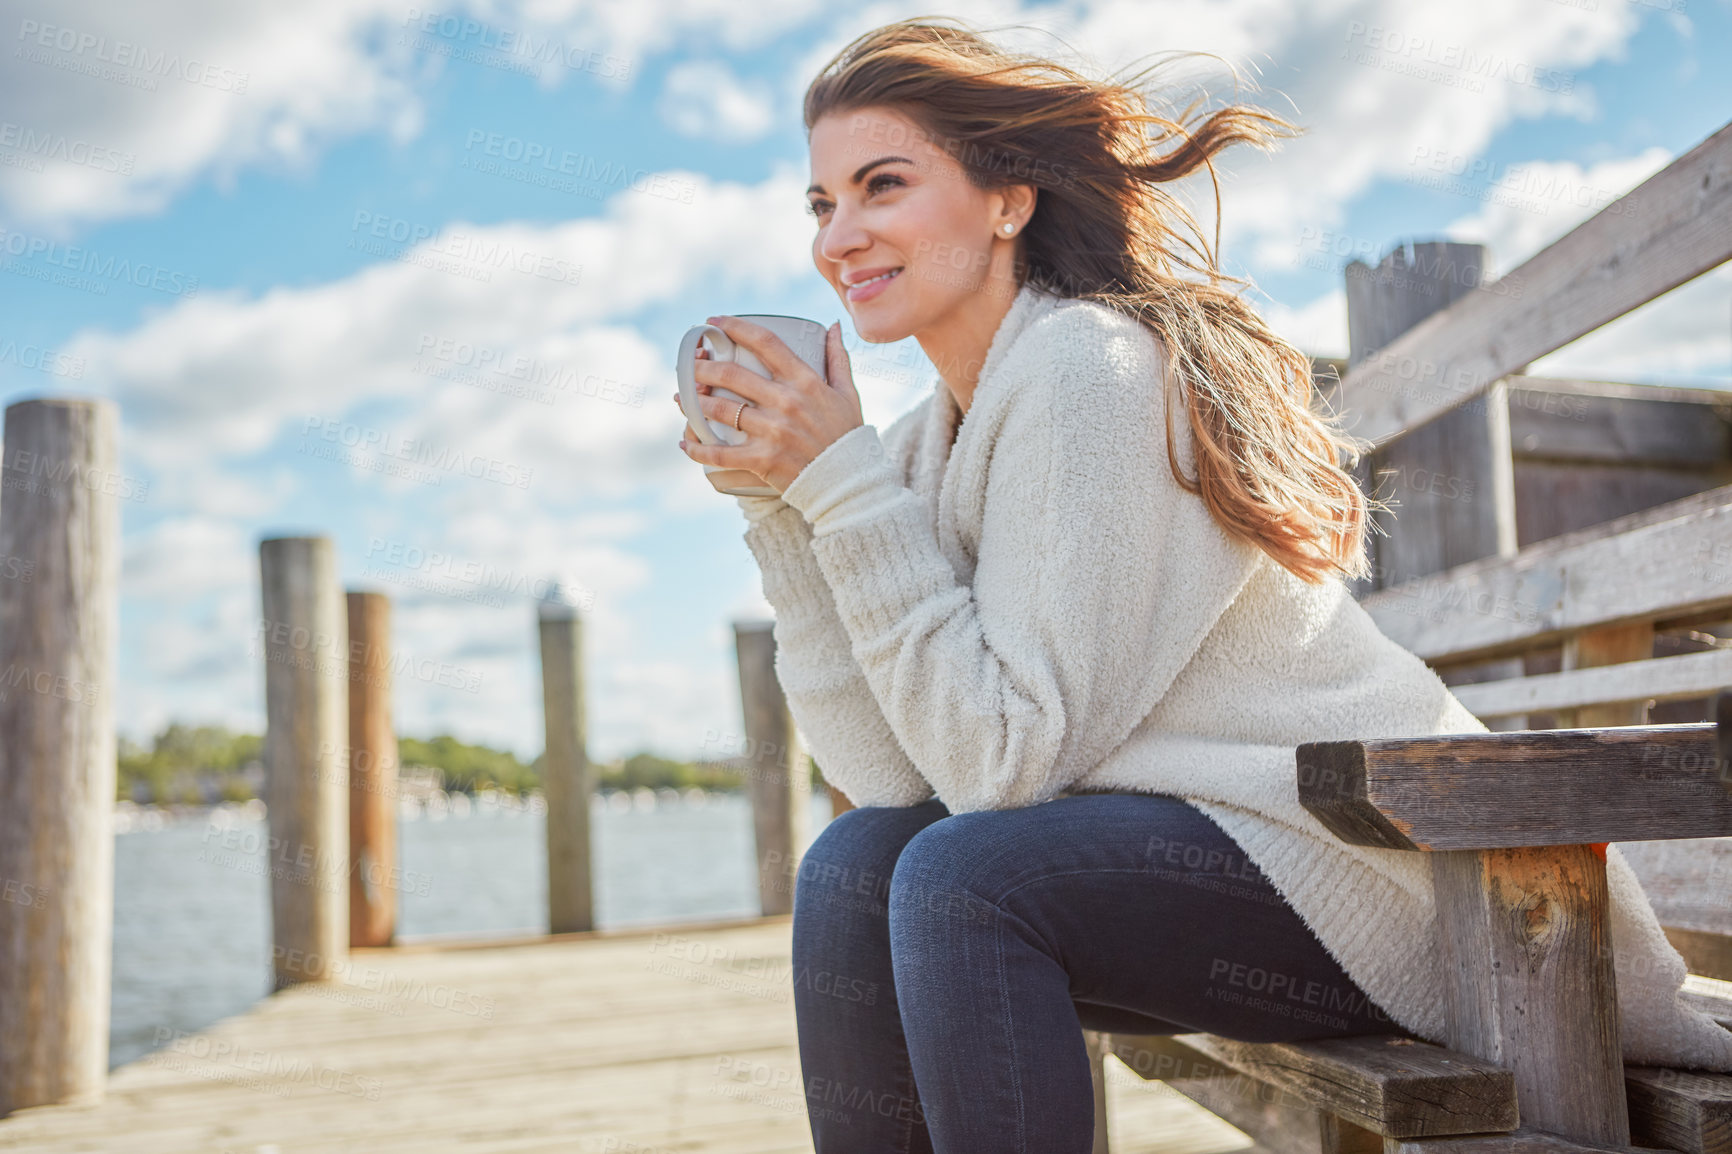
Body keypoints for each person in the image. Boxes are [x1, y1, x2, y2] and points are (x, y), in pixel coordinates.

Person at [673, 17, 1732, 1153]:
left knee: (958, 877)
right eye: (822, 204)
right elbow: (890, 773)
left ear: (1006, 200)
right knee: (852, 865)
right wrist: (779, 511)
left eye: (881, 185)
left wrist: (838, 483)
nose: (841, 236)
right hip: (1232, 868)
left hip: (1400, 883)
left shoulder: (1088, 367)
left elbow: (994, 766)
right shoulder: (932, 443)